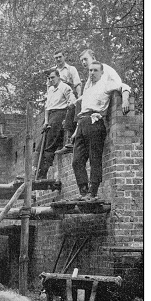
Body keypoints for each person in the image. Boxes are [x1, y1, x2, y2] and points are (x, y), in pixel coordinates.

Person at [71, 61, 130, 201]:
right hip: (82, 124)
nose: (92, 73)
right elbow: (80, 106)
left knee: (94, 159)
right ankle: (83, 191)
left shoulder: (106, 84)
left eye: (95, 70)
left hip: (95, 123)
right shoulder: (88, 88)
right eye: (90, 70)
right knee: (77, 161)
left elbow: (124, 86)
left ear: (102, 72)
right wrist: (76, 129)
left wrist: (126, 100)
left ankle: (93, 192)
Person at [56, 49, 130, 155]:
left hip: (99, 109)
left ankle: (73, 140)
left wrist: (125, 99)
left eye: (85, 59)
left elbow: (120, 84)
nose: (84, 63)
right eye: (82, 61)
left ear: (93, 56)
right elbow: (85, 97)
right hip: (87, 115)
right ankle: (71, 139)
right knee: (73, 105)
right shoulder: (90, 78)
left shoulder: (105, 69)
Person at [36, 70, 74, 180]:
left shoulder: (65, 88)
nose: (51, 80)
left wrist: (66, 119)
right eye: (49, 78)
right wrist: (46, 121)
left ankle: (43, 173)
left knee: (49, 145)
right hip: (50, 116)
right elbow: (47, 107)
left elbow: (71, 103)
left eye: (53, 77)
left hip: (59, 114)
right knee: (39, 147)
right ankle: (36, 171)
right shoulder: (51, 90)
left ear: (58, 77)